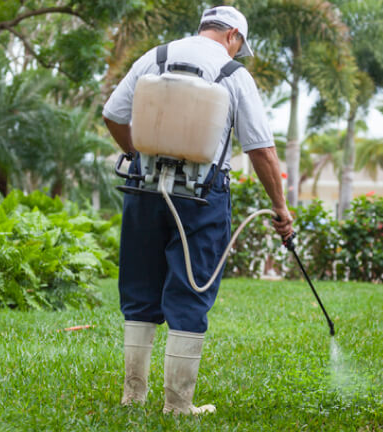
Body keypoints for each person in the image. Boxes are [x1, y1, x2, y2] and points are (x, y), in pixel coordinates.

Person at [102, 5, 293, 415]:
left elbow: (114, 114)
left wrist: (137, 154)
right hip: (201, 197)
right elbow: (260, 148)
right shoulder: (233, 73)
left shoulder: (154, 58)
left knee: (139, 288)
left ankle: (132, 396)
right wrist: (280, 207)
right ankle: (178, 405)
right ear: (233, 38)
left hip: (144, 187)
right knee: (192, 288)